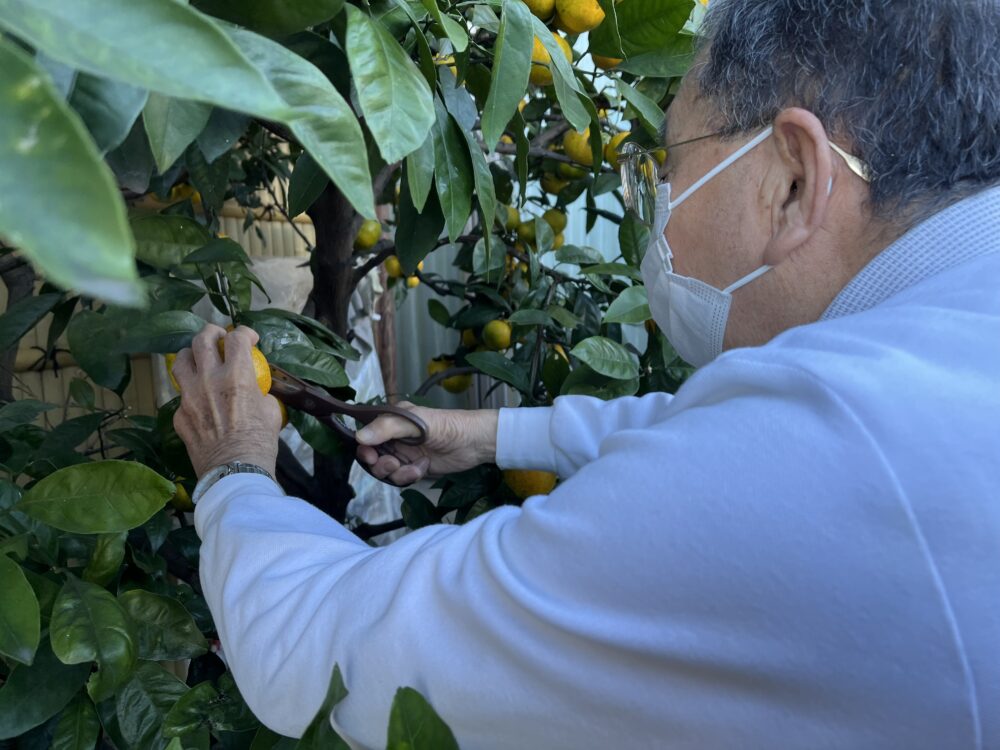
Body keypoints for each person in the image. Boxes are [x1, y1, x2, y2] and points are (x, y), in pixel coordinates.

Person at [171, 1, 1000, 747]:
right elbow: (731, 431)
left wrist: (235, 468)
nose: (661, 208)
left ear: (791, 180)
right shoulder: (938, 347)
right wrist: (492, 434)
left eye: (670, 166)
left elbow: (328, 658)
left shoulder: (835, 451)